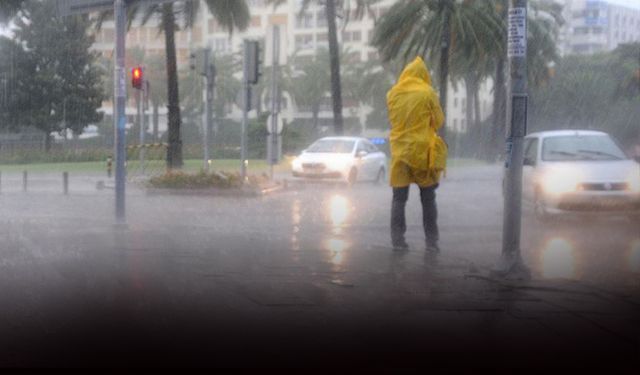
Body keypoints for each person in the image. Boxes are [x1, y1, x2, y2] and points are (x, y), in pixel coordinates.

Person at [386, 56, 447, 252]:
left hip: (400, 152)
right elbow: (438, 121)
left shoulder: (393, 93)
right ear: (423, 75)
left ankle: (397, 241)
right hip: (422, 153)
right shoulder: (427, 92)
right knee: (428, 198)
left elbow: (394, 119)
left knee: (398, 199)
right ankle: (431, 242)